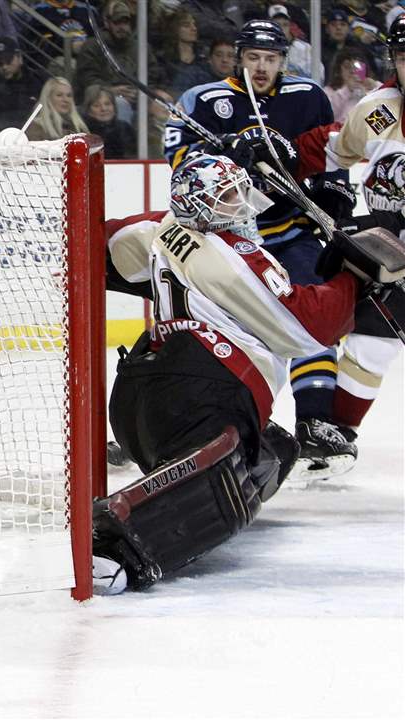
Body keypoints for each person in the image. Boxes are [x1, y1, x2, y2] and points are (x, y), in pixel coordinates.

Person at [93, 152, 403, 594]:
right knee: (221, 464)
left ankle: (190, 486)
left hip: (138, 396)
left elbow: (104, 246)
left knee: (273, 450)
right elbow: (304, 328)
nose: (241, 206)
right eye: (228, 198)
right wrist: (353, 279)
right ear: (201, 208)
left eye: (240, 193)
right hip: (199, 391)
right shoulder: (232, 255)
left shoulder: (160, 227)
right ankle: (112, 546)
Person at [164, 19, 358, 481]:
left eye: (270, 59)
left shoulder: (307, 96)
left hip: (291, 232)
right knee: (208, 331)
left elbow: (331, 152)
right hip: (225, 241)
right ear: (239, 58)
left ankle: (315, 422)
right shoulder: (204, 101)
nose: (261, 67)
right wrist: (226, 152)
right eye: (253, 57)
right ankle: (177, 420)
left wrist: (334, 192)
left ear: (282, 61)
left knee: (313, 319)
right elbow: (179, 162)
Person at [290, 14, 405, 473]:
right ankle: (334, 437)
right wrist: (282, 154)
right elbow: (333, 147)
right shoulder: (379, 110)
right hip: (390, 251)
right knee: (370, 342)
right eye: (404, 56)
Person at [0, 37, 41, 141]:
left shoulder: (37, 81)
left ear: (19, 58)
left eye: (8, 60)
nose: (4, 67)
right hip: (2, 138)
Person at [323, 47, 379, 123]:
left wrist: (375, 89)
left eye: (357, 67)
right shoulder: (329, 92)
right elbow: (329, 116)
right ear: (338, 70)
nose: (352, 71)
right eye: (347, 67)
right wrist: (347, 90)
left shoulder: (374, 86)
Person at [81, 84, 134, 159]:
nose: (103, 109)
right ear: (88, 110)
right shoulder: (83, 131)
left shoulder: (125, 128)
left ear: (114, 106)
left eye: (107, 104)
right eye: (96, 105)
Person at [28, 76, 88, 142]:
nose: (65, 100)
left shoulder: (79, 127)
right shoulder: (37, 127)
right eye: (59, 95)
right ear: (48, 98)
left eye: (69, 95)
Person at [268, 4, 317, 79]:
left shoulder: (305, 48)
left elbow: (319, 75)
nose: (281, 29)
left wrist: (297, 75)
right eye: (277, 25)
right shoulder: (262, 49)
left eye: (285, 24)